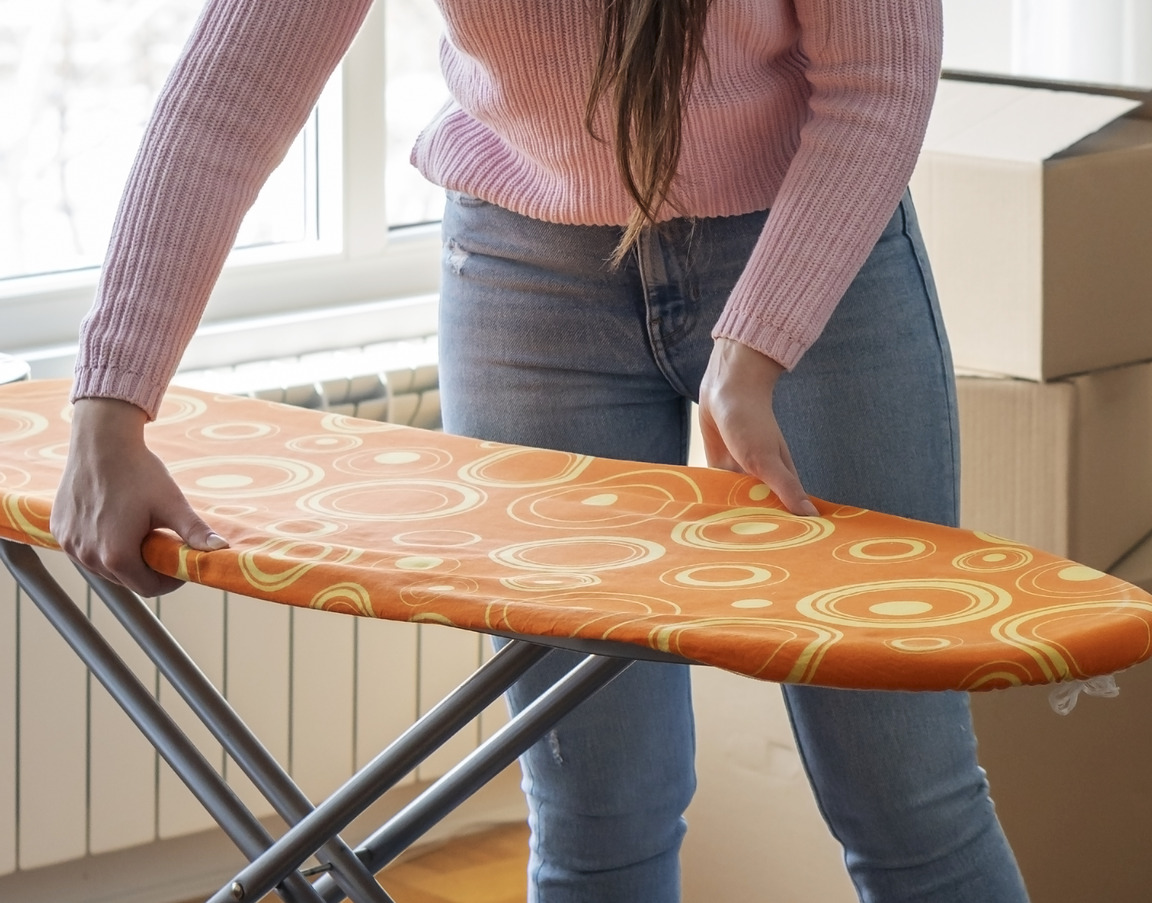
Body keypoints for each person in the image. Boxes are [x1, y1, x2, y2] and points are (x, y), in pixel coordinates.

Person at [50, 0, 1031, 900]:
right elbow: (229, 95)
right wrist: (110, 407)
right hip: (529, 275)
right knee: (594, 812)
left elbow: (880, 78)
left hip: (805, 236)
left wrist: (759, 340)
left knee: (907, 798)